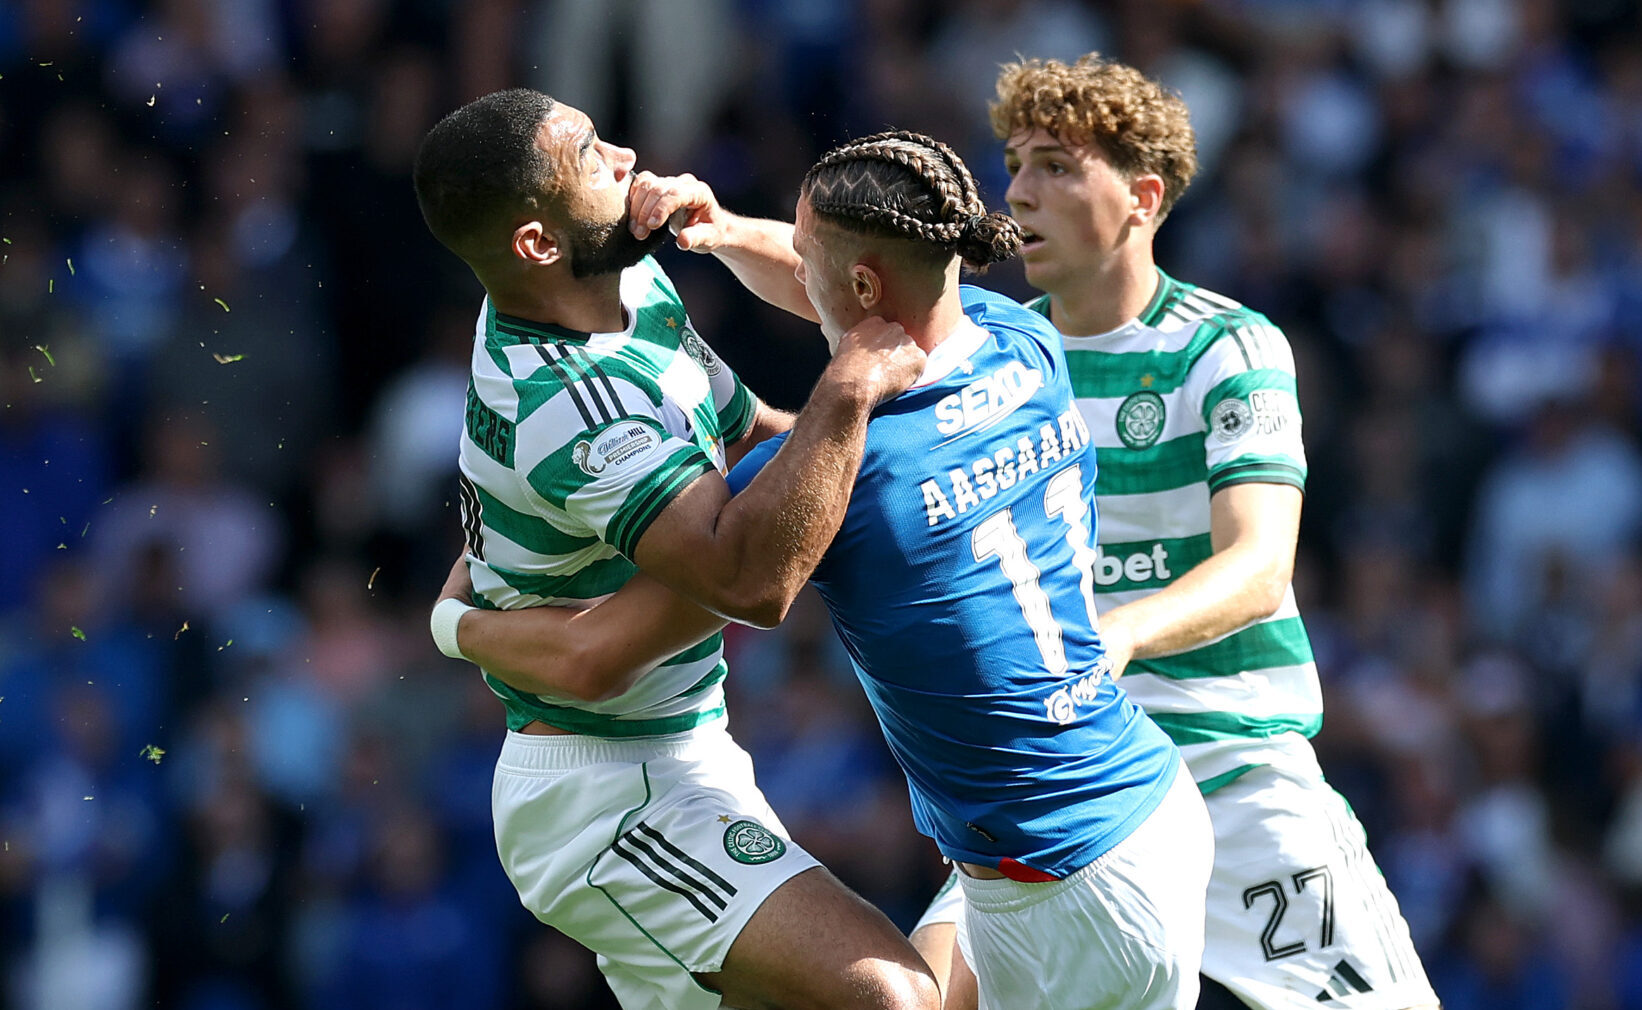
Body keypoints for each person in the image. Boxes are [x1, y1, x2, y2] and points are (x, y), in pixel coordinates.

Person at [441, 130, 1214, 1010]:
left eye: (800, 250)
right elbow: (832, 333)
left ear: (857, 287)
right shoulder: (1017, 340)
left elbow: (660, 621)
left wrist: (451, 623)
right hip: (1139, 803)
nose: (624, 156)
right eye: (589, 151)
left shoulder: (850, 487)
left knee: (897, 1001)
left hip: (1063, 876)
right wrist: (727, 231)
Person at [903, 55, 1442, 1010]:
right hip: (1075, 782)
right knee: (921, 996)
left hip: (1233, 772)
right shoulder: (994, 365)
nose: (1019, 192)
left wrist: (1123, 631)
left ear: (1142, 197)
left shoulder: (1224, 346)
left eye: (1057, 167)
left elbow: (1261, 567)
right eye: (1015, 164)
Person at [411, 88, 942, 1010]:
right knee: (891, 997)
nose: (625, 157)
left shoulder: (628, 287)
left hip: (687, 745)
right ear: (537, 243)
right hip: (601, 797)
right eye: (588, 155)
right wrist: (850, 389)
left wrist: (731, 237)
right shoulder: (569, 408)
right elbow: (750, 577)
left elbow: (757, 447)